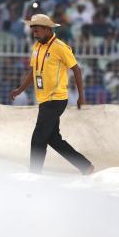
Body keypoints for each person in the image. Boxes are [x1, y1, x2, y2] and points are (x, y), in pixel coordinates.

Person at [10, 14, 94, 175]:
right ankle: (85, 166)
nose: (34, 32)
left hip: (56, 99)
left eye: (37, 29)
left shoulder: (60, 47)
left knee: (38, 136)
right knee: (53, 138)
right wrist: (20, 89)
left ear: (48, 29)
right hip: (43, 99)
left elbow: (76, 69)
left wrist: (81, 97)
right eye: (32, 29)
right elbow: (34, 71)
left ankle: (34, 173)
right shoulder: (37, 47)